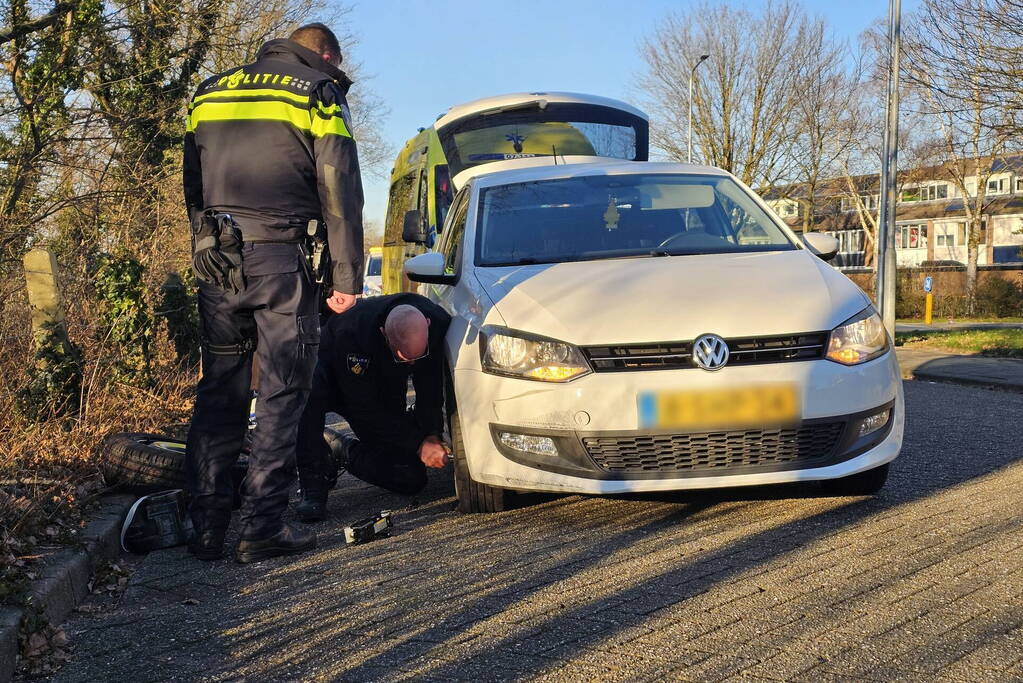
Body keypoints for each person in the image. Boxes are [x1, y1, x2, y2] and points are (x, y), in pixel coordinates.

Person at [182, 23, 364, 563]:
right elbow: (339, 187)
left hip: (217, 261)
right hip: (281, 260)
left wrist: (206, 241)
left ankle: (207, 528)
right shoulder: (316, 93)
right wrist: (346, 278)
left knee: (220, 390)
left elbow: (193, 182)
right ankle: (262, 525)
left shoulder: (209, 91)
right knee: (283, 390)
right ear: (326, 55)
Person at [295, 294, 451, 521]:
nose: (412, 365)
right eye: (404, 359)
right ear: (383, 334)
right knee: (310, 394)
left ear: (427, 325)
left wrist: (431, 434)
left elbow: (431, 388)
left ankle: (343, 451)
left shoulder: (437, 321)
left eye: (416, 358)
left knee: (410, 478)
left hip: (385, 384)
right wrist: (417, 444)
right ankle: (313, 485)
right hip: (338, 379)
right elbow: (365, 409)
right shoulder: (353, 334)